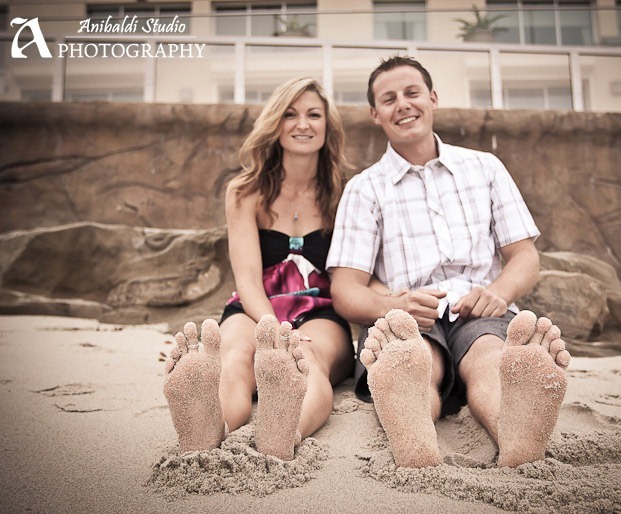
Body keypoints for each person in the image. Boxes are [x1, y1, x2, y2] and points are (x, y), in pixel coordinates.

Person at [327, 56, 571, 468]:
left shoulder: (485, 167)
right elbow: (345, 289)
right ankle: (414, 428)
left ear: (433, 98)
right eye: (389, 99)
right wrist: (393, 306)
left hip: (479, 309)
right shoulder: (363, 189)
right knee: (416, 360)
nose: (402, 104)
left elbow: (525, 255)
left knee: (490, 357)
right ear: (375, 114)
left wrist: (499, 292)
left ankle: (517, 433)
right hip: (407, 317)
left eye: (412, 93)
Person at [163, 77, 354, 461]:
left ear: (327, 126)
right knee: (235, 356)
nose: (303, 124)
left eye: (313, 115)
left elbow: (356, 271)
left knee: (309, 362)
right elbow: (247, 279)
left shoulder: (348, 191)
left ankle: (283, 431)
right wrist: (275, 332)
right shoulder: (244, 191)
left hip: (321, 311)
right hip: (255, 306)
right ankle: (208, 427)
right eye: (290, 114)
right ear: (275, 124)